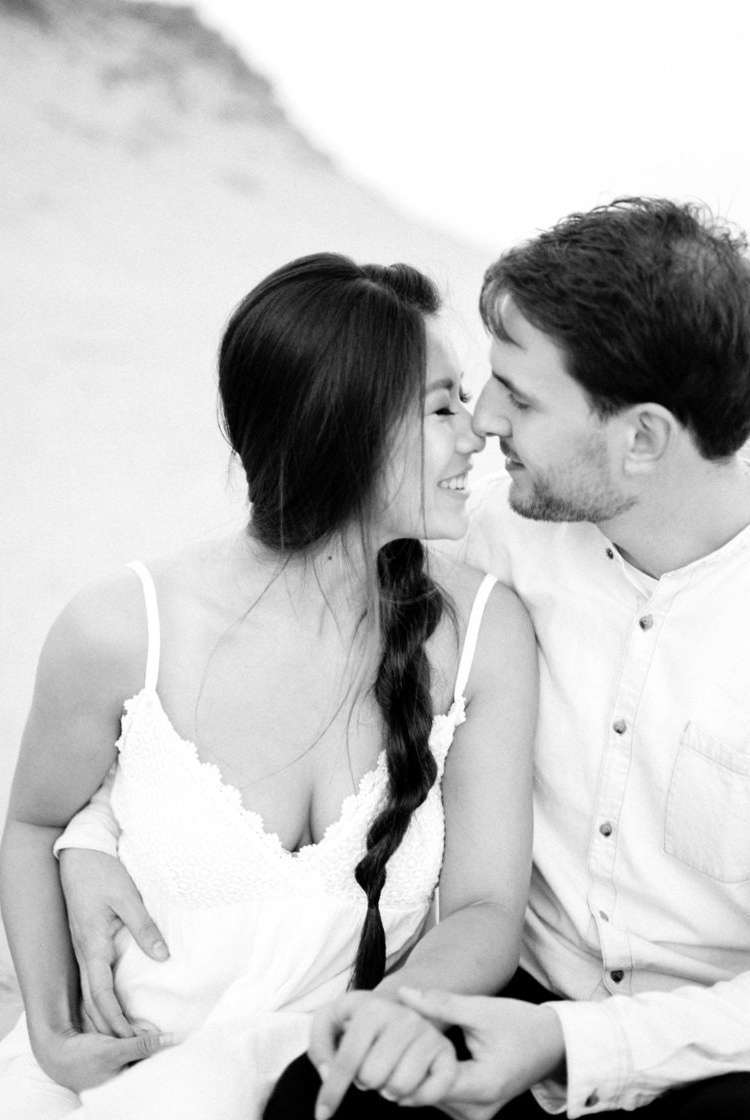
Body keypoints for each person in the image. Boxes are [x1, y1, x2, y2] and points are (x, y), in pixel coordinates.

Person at [0, 253, 537, 1120]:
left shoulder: (484, 632)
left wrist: (387, 1017)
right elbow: (34, 824)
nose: (475, 433)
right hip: (111, 1083)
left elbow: (488, 906)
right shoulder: (123, 628)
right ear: (346, 427)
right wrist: (50, 1032)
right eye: (443, 404)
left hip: (324, 1085)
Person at [264, 197, 750, 1119]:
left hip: (708, 1059)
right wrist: (91, 832)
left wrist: (573, 1045)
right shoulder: (495, 537)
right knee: (314, 1097)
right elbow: (265, 617)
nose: (483, 420)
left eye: (520, 397)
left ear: (642, 438)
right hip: (502, 995)